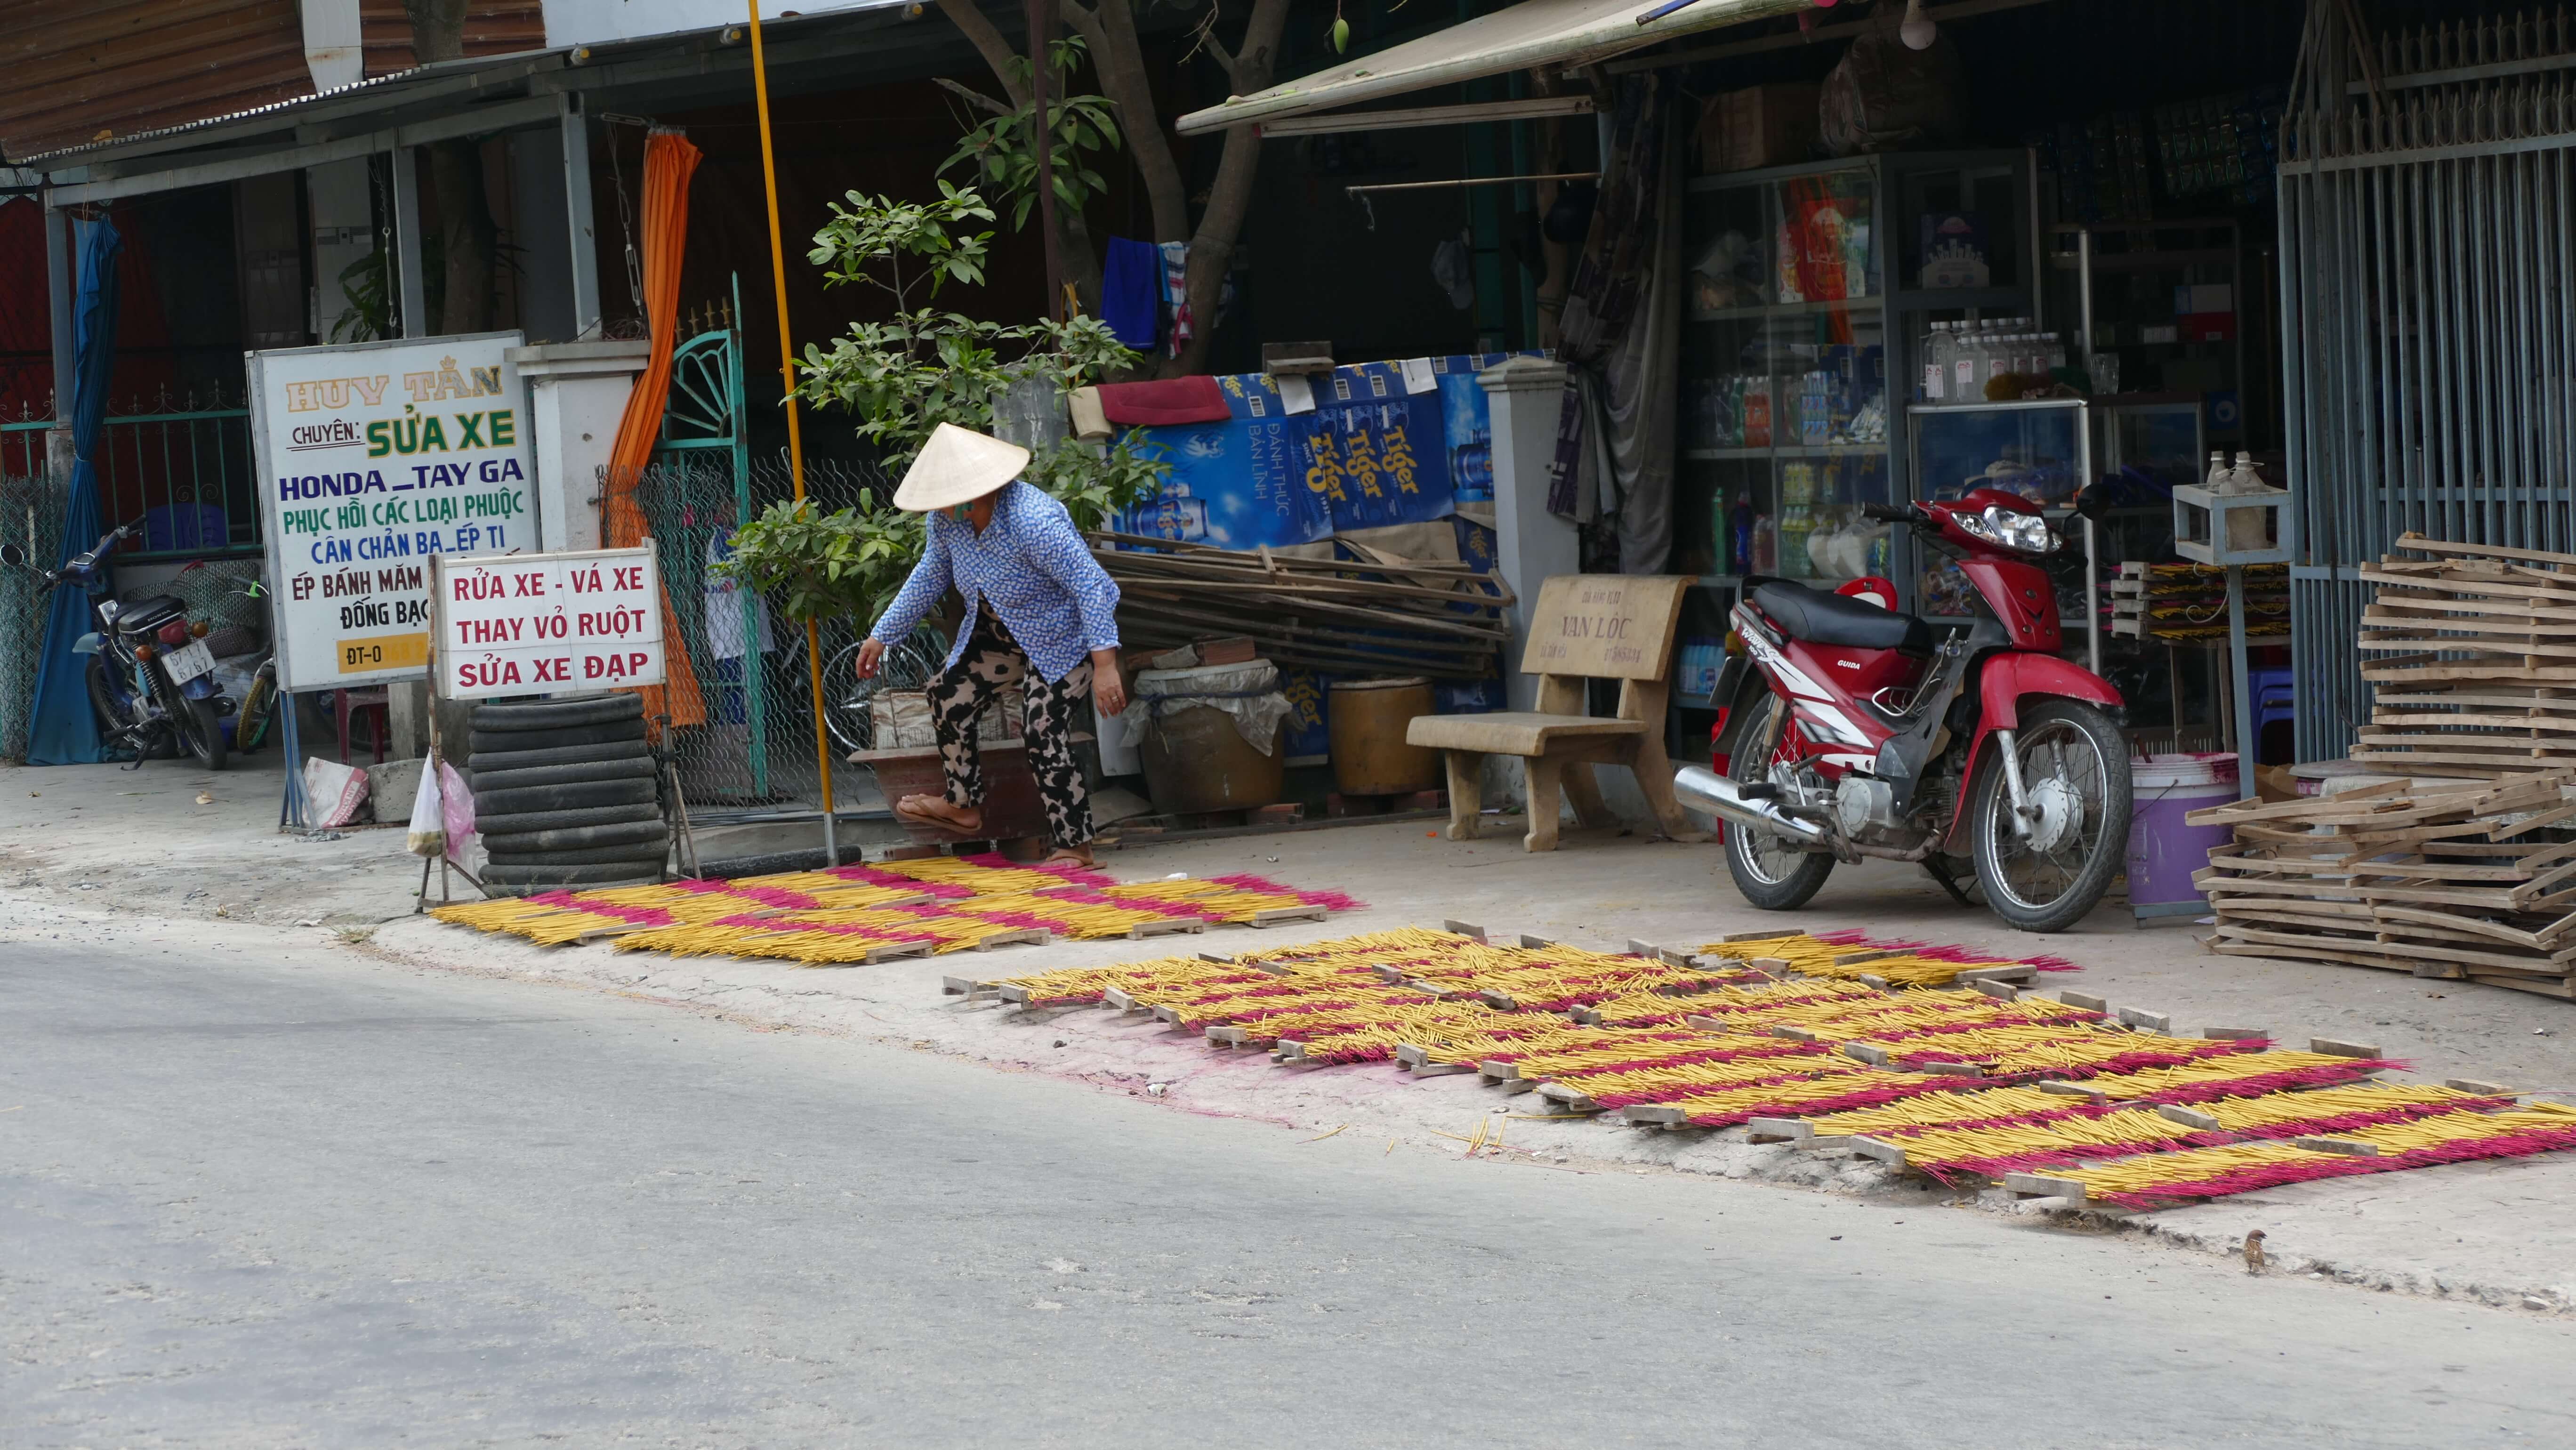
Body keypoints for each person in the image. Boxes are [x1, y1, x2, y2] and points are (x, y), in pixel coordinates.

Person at [855, 423, 1128, 866]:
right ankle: (963, 805)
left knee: (1041, 728)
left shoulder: (1033, 521)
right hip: (1001, 634)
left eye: (943, 497)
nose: (936, 507)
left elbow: (1091, 586)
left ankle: (1075, 844)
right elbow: (930, 573)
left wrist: (1106, 666)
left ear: (973, 493)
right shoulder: (947, 522)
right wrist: (882, 634)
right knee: (947, 696)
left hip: (1065, 638)